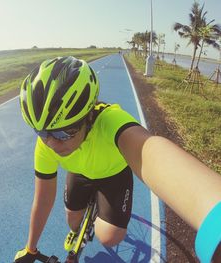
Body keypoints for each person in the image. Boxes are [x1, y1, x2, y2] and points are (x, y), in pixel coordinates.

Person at [14, 56, 221, 263]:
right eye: (41, 132)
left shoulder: (111, 120)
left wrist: (214, 214)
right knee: (72, 221)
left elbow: (149, 151)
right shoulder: (46, 143)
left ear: (87, 116)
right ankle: (86, 221)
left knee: (109, 237)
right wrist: (30, 248)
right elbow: (43, 199)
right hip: (80, 173)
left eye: (63, 134)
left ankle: (101, 216)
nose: (51, 143)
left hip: (113, 176)